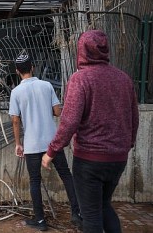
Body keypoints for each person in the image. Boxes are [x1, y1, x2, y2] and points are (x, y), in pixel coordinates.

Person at [42, 30, 139, 233]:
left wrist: (52, 151)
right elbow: (133, 118)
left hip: (89, 160)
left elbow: (69, 121)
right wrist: (126, 145)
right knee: (103, 206)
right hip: (118, 158)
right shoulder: (124, 79)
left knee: (91, 215)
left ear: (82, 50)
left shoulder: (80, 79)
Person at [9, 52, 82, 231]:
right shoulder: (47, 85)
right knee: (66, 175)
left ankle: (40, 221)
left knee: (35, 181)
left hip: (32, 145)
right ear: (33, 67)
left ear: (18, 71)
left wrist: (18, 143)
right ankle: (77, 214)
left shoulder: (16, 92)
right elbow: (57, 112)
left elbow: (15, 120)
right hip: (52, 142)